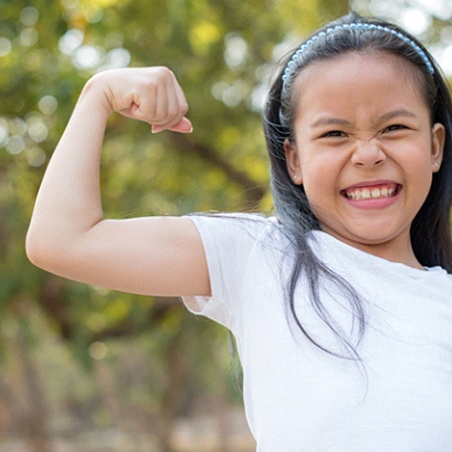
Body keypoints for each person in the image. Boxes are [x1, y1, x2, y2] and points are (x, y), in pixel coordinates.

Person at [26, 10, 452, 451]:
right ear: (295, 160)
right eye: (334, 134)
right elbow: (62, 241)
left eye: (394, 128)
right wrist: (99, 95)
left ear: (435, 145)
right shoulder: (260, 256)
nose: (367, 154)